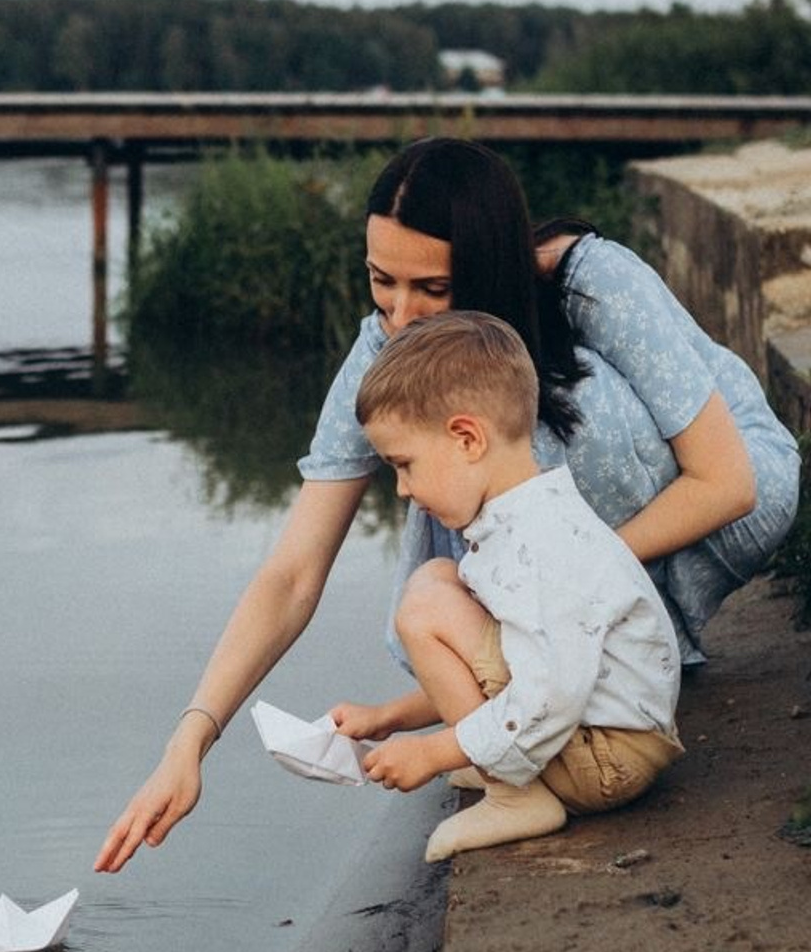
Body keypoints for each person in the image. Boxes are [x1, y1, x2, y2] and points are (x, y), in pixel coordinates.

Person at [93, 137, 799, 875]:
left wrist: (574, 589)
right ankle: (553, 698)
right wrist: (191, 740)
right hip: (577, 556)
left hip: (724, 491)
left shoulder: (588, 278)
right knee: (438, 495)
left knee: (532, 425)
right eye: (381, 282)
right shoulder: (385, 346)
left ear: (489, 267)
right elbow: (293, 573)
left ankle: (543, 718)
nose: (403, 317)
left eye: (433, 289)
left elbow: (729, 482)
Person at [330, 310, 682, 861]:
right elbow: (507, 665)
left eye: (405, 464)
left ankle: (514, 796)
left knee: (424, 606)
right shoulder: (525, 517)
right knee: (439, 582)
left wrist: (434, 752)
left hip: (609, 759)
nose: (401, 489)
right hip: (595, 737)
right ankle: (503, 767)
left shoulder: (538, 549)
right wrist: (387, 719)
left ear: (467, 438)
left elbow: (549, 692)